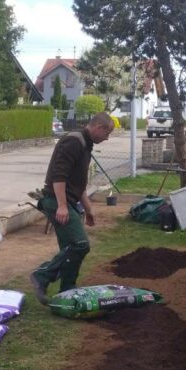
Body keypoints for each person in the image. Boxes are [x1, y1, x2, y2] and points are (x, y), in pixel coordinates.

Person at [29, 111, 114, 304]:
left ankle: (67, 290)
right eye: (107, 133)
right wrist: (61, 206)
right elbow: (59, 175)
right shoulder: (74, 141)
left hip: (68, 202)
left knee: (70, 250)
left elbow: (78, 183)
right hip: (56, 201)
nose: (107, 138)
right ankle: (41, 275)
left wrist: (88, 209)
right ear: (99, 127)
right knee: (80, 245)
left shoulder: (85, 144)